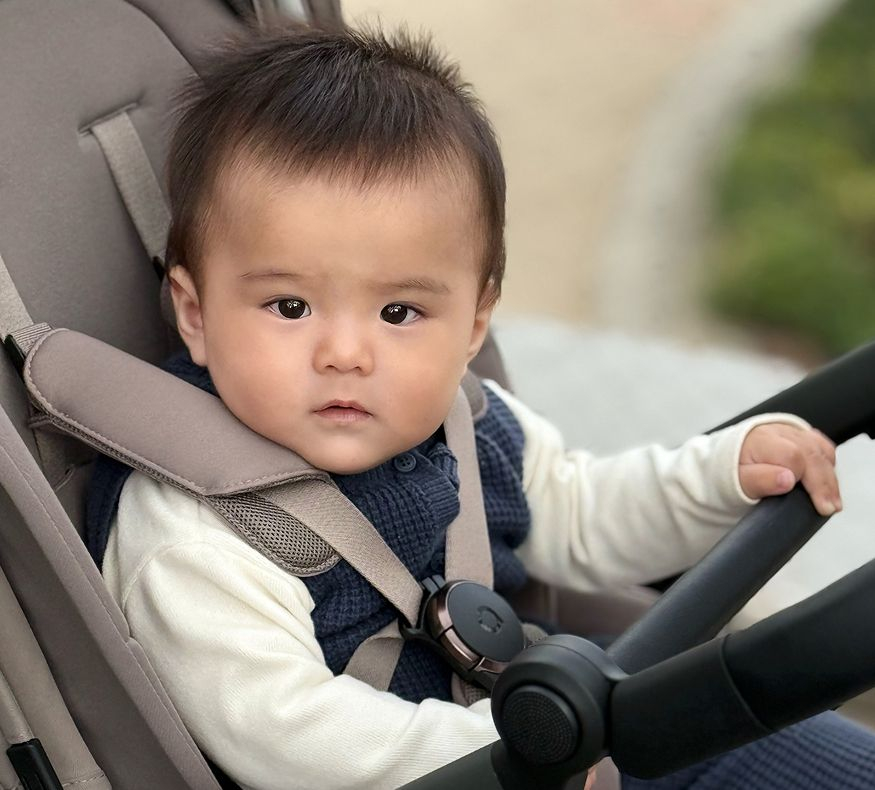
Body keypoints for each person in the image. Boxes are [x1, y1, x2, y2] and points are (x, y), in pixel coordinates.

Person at [85, 22, 870, 790]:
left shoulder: (467, 425)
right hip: (466, 762)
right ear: (196, 314)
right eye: (289, 307)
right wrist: (524, 750)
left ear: (473, 325)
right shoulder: (194, 534)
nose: (345, 353)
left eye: (398, 313)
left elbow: (580, 513)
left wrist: (719, 477)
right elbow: (287, 736)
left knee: (800, 749)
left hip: (556, 722)